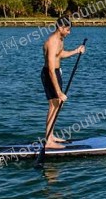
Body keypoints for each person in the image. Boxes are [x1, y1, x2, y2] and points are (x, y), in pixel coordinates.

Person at [41, 17, 85, 149]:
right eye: (67, 29)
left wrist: (76, 51)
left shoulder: (60, 40)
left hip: (56, 73)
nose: (69, 32)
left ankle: (51, 136)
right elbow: (50, 69)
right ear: (60, 28)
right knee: (54, 105)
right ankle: (48, 141)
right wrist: (59, 92)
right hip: (50, 74)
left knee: (57, 105)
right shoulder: (52, 41)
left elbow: (59, 55)